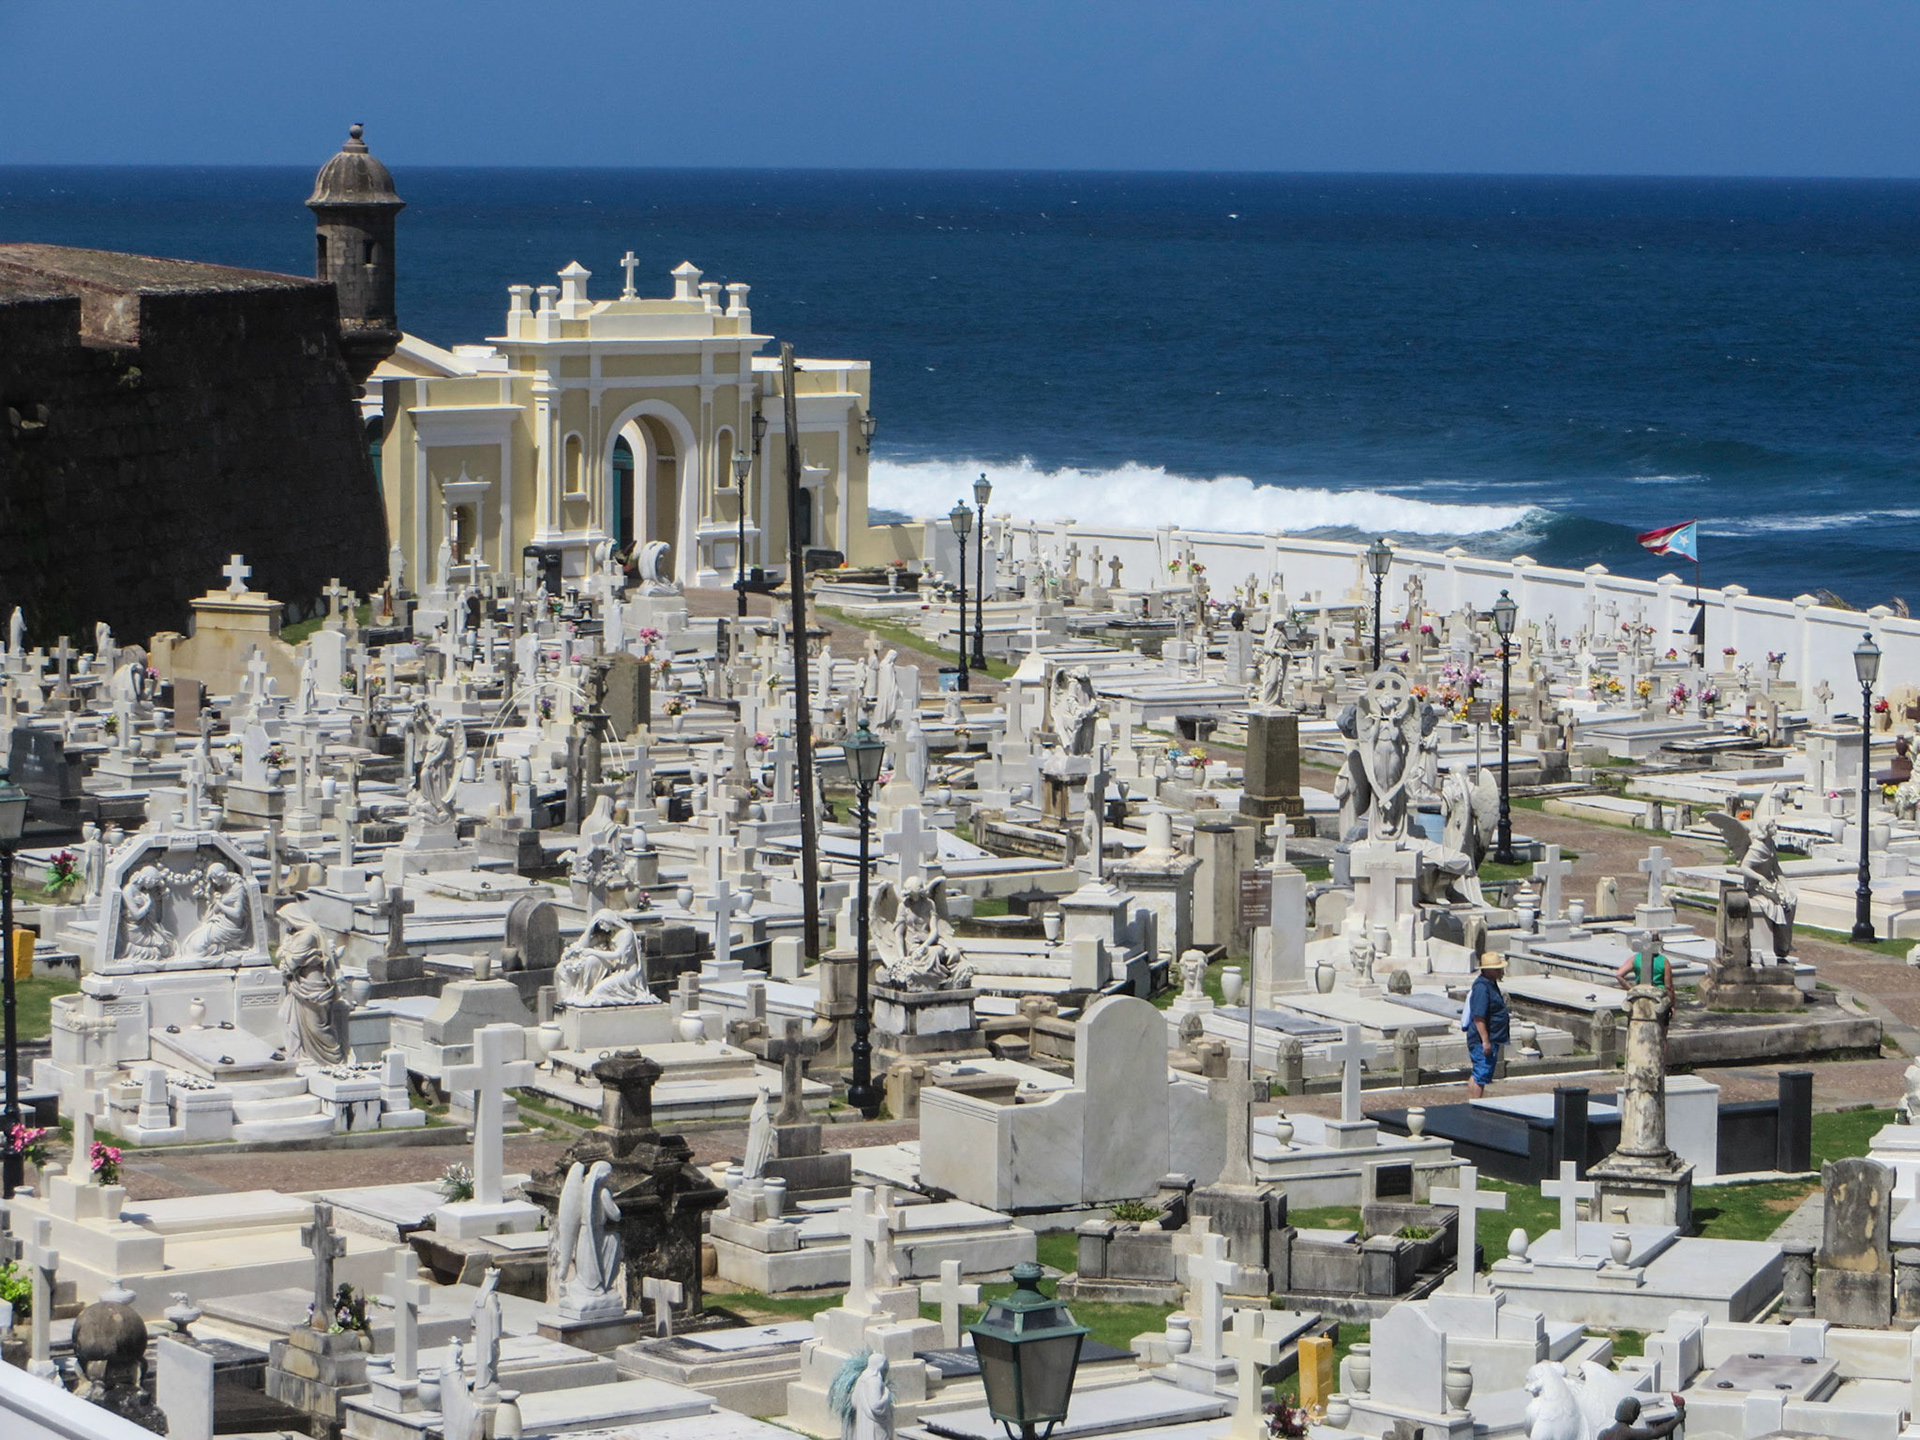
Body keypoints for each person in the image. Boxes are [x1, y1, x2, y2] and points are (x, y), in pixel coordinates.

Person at [1463, 953, 1509, 1098]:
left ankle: (1474, 1101)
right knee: (1481, 1074)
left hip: (1491, 1037)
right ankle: (1476, 1103)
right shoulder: (1482, 988)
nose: (1500, 972)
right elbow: (1479, 1017)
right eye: (1497, 969)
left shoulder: (1490, 984)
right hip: (1482, 1039)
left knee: (1479, 1073)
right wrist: (1485, 1041)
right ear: (1488, 970)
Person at [1597, 1393, 1684, 1440]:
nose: (1636, 1418)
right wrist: (1678, 1418)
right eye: (1636, 1414)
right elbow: (1657, 1432)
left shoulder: (1603, 1434)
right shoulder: (1629, 1433)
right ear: (1631, 1414)